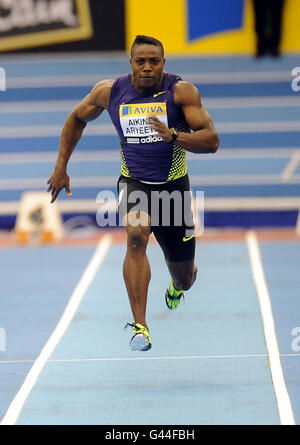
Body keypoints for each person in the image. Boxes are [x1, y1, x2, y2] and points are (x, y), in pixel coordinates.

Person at [47, 35, 219, 351]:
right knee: (136, 236)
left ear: (163, 64)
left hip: (174, 191)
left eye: (154, 61)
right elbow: (76, 119)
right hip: (134, 183)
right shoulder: (109, 92)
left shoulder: (181, 92)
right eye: (141, 61)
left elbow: (211, 140)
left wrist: (174, 136)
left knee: (185, 277)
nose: (147, 67)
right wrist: (61, 167)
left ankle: (178, 285)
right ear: (131, 64)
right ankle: (141, 327)